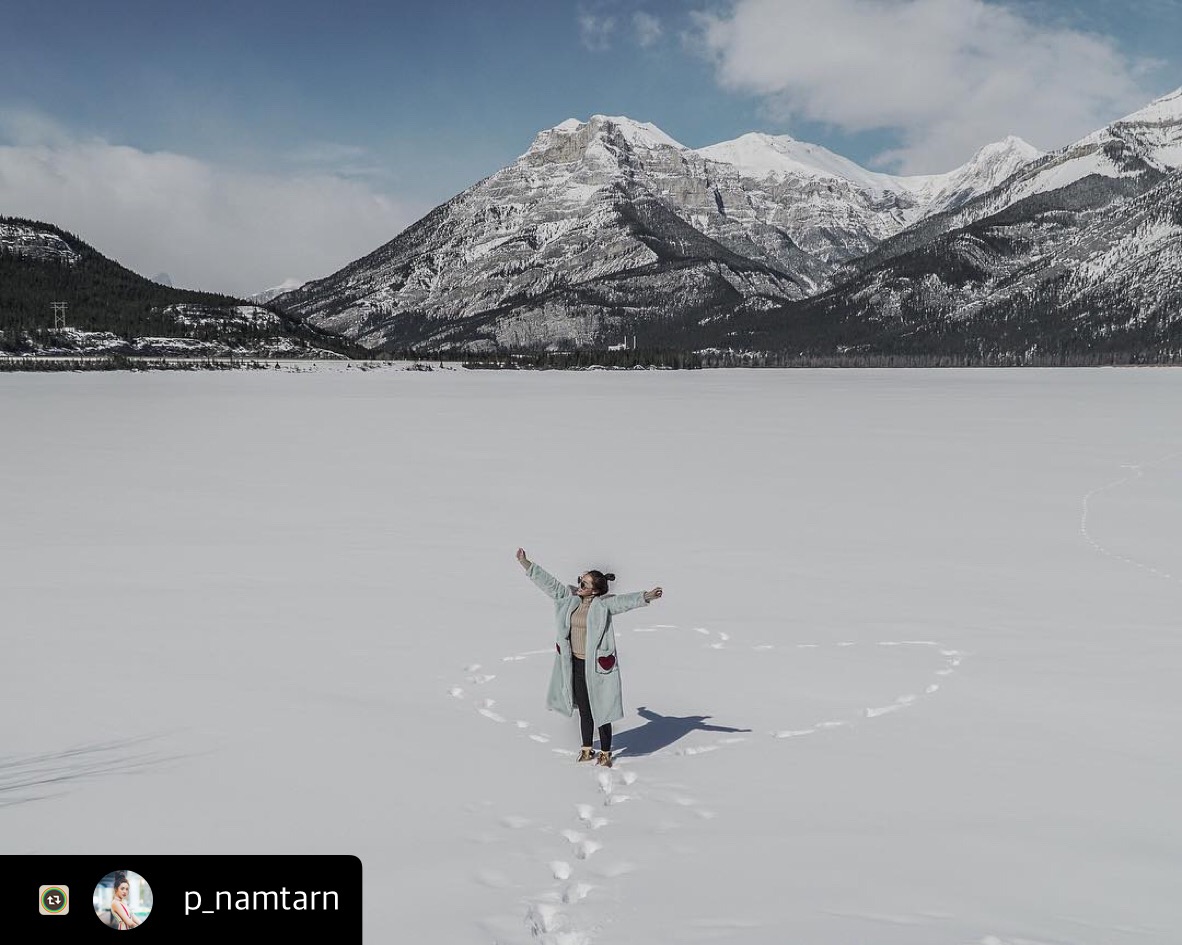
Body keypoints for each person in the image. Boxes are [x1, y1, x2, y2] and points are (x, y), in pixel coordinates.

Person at [517, 547, 663, 767]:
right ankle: (586, 748)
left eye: (584, 584)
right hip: (575, 664)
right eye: (580, 581)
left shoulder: (603, 605)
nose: (579, 586)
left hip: (596, 668)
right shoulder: (569, 599)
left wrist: (646, 596)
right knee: (585, 710)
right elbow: (550, 584)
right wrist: (526, 563)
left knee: (602, 710)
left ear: (594, 591)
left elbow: (623, 602)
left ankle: (605, 752)